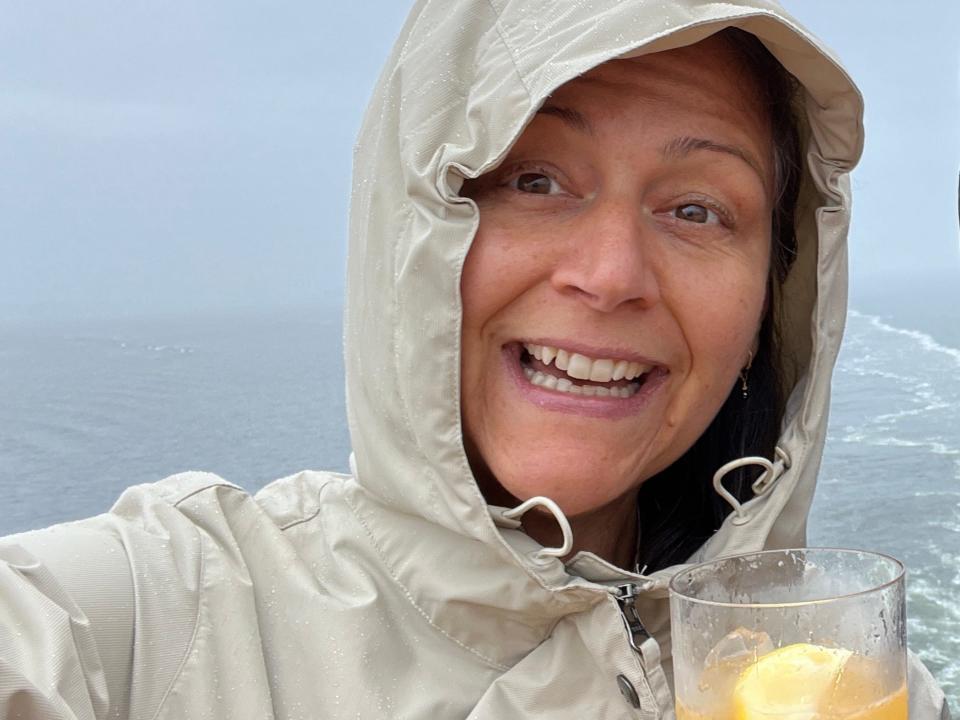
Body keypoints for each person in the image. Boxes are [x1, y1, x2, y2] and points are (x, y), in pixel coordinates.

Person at [0, 1, 951, 718]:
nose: (611, 274)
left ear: (771, 301)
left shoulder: (846, 681)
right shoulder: (154, 616)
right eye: (532, 179)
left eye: (697, 209)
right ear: (409, 237)